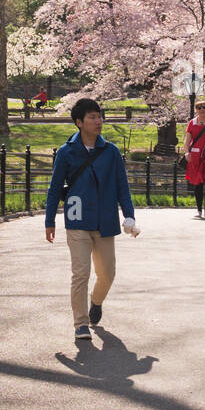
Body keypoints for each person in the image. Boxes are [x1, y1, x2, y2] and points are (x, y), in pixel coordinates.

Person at [44, 98, 138, 341]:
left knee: (107, 273)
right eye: (92, 118)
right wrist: (49, 221)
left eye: (99, 116)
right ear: (79, 122)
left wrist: (129, 215)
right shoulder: (66, 152)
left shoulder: (111, 151)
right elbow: (54, 189)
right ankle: (80, 324)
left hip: (105, 220)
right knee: (81, 273)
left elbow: (122, 186)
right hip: (77, 219)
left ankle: (96, 301)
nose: (98, 121)